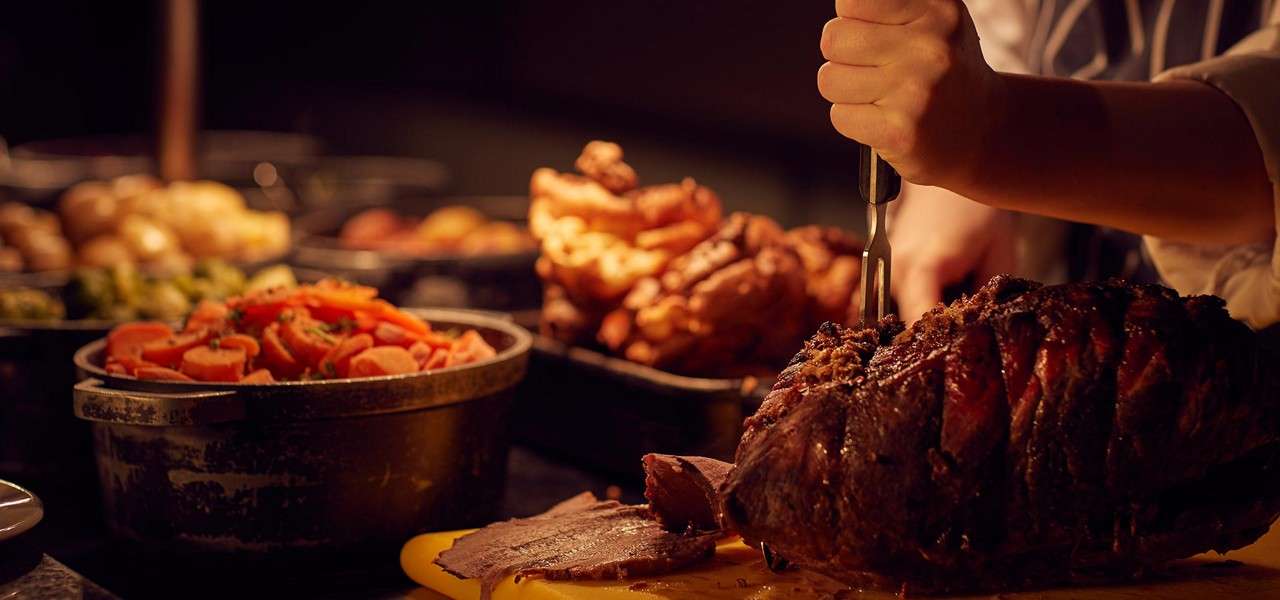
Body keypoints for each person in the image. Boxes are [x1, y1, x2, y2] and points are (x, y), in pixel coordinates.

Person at [818, 0, 1280, 328]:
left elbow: (1263, 143)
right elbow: (987, 39)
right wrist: (954, 191)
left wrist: (996, 136)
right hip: (1063, 347)